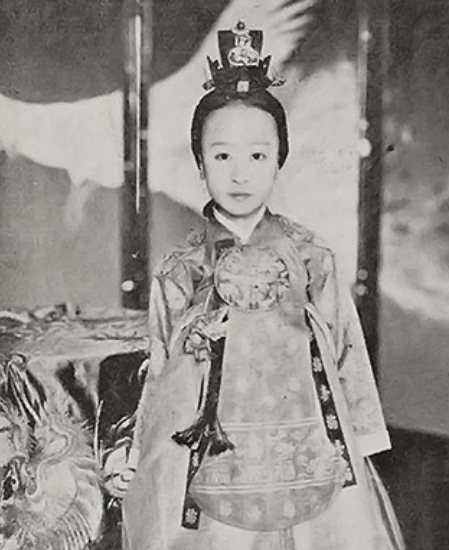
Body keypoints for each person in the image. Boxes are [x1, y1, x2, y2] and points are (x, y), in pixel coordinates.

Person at [119, 20, 405, 550]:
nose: (240, 174)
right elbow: (157, 368)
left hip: (304, 443)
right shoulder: (182, 268)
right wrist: (138, 452)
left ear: (279, 160)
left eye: (257, 155)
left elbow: (347, 347)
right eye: (222, 155)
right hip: (208, 451)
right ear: (200, 163)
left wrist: (364, 437)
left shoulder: (310, 256)